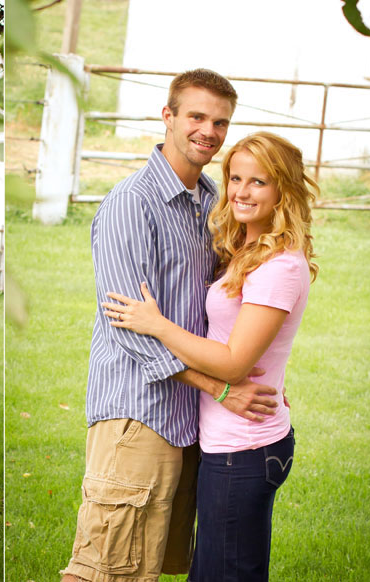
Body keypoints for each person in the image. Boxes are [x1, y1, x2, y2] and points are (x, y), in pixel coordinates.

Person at [60, 69, 280, 582]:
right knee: (102, 565)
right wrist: (221, 389)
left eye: (221, 122)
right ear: (168, 117)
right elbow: (126, 327)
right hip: (137, 412)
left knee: (149, 564)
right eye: (197, 116)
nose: (209, 131)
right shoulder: (131, 204)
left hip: (189, 419)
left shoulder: (211, 200)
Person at [103, 132, 317, 581]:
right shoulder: (247, 251)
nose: (240, 191)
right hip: (230, 442)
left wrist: (157, 324)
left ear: (283, 189)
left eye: (258, 181)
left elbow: (235, 362)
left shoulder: (278, 266)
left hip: (244, 447)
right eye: (235, 177)